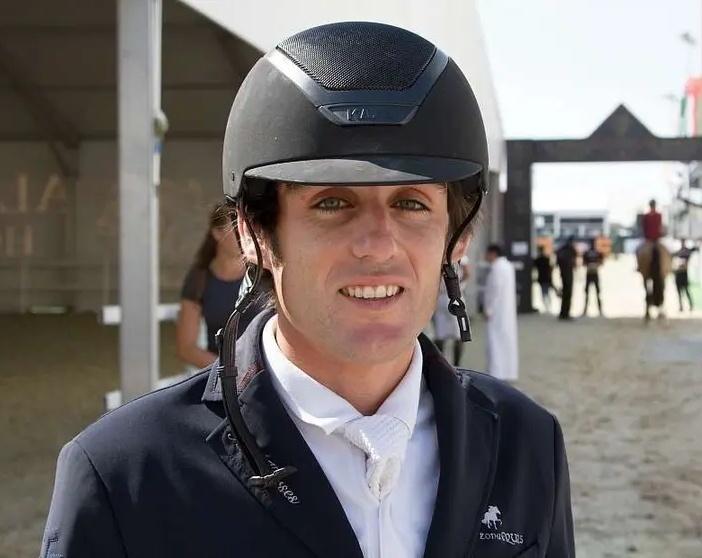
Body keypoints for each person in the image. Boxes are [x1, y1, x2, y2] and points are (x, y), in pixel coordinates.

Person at [40, 22, 574, 558]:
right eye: (332, 203)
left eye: (412, 203)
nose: (377, 245)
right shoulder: (124, 475)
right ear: (254, 234)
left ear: (456, 240)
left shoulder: (526, 444)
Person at [176, 204, 256, 370]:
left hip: (266, 374)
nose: (245, 235)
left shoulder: (264, 273)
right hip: (224, 377)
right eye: (236, 228)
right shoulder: (199, 279)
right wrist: (229, 372)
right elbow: (186, 348)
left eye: (247, 227)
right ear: (217, 233)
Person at [483, 244, 519, 382]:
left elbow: (494, 290)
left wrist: (488, 308)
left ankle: (496, 371)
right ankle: (508, 371)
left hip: (496, 311)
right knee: (507, 341)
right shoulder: (508, 266)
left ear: (492, 253)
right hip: (507, 311)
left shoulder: (497, 268)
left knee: (495, 341)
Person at [430, 255, 470, 366]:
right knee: (440, 334)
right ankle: (440, 364)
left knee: (457, 333)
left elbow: (467, 272)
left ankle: (457, 365)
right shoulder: (439, 253)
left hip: (455, 296)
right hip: (441, 297)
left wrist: (458, 286)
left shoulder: (460, 255)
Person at [555, 236, 578, 320]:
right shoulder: (571, 250)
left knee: (565, 293)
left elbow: (557, 261)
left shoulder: (561, 250)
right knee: (568, 294)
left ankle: (563, 313)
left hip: (563, 273)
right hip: (568, 273)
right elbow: (574, 261)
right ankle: (565, 313)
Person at [672, 238, 696, 312]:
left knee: (686, 290)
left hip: (683, 273)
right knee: (679, 291)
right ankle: (681, 306)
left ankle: (691, 305)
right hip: (678, 273)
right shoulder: (678, 252)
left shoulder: (686, 252)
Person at [582, 239, 604, 317]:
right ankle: (585, 310)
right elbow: (584, 263)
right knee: (588, 293)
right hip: (590, 273)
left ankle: (600, 310)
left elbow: (601, 262)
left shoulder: (596, 253)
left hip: (593, 273)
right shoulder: (589, 253)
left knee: (597, 293)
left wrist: (593, 265)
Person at [533, 245, 555, 313]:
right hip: (547, 278)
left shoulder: (538, 260)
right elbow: (551, 268)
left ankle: (547, 306)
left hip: (542, 278)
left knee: (544, 293)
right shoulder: (546, 259)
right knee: (547, 292)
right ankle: (548, 306)